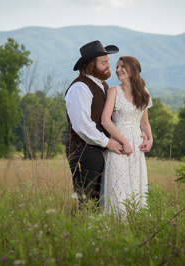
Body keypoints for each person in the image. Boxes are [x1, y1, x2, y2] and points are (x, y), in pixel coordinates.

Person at [65, 40, 124, 204]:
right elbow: (82, 126)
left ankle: (97, 229)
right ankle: (81, 228)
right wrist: (107, 142)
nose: (109, 66)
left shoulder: (103, 85)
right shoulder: (80, 87)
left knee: (101, 198)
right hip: (84, 151)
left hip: (98, 148)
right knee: (88, 200)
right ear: (91, 65)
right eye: (104, 63)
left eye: (108, 62)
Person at [100, 56, 153, 216]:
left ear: (133, 69)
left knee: (136, 185)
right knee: (118, 186)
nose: (118, 70)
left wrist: (150, 139)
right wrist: (124, 142)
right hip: (119, 146)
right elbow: (105, 120)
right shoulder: (114, 90)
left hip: (137, 147)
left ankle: (136, 223)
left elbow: (144, 122)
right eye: (117, 67)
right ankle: (116, 226)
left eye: (122, 66)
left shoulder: (144, 93)